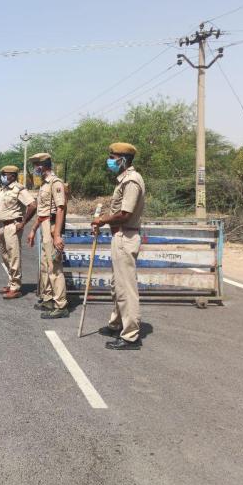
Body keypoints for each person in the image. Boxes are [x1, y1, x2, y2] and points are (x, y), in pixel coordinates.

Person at [91, 142, 146, 350]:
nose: (110, 161)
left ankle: (131, 335)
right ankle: (117, 323)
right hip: (119, 237)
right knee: (117, 286)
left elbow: (125, 214)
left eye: (113, 157)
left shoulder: (132, 180)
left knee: (126, 288)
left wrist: (103, 220)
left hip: (126, 236)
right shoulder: (123, 180)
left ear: (123, 160)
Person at [27, 152, 70, 319]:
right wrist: (33, 229)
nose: (34, 169)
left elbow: (60, 208)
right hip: (45, 226)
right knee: (46, 266)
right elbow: (42, 211)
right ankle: (49, 299)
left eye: (35, 165)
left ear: (42, 165)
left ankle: (61, 305)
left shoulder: (55, 182)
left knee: (54, 267)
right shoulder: (44, 184)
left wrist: (57, 234)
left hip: (53, 228)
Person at [0, 165, 36, 299]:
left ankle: (16, 287)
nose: (3, 177)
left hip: (12, 226)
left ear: (13, 175)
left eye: (5, 174)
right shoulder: (4, 189)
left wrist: (23, 223)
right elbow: (0, 210)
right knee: (5, 256)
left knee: (14, 256)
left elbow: (32, 205)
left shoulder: (18, 189)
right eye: (2, 174)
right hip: (1, 226)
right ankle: (11, 282)